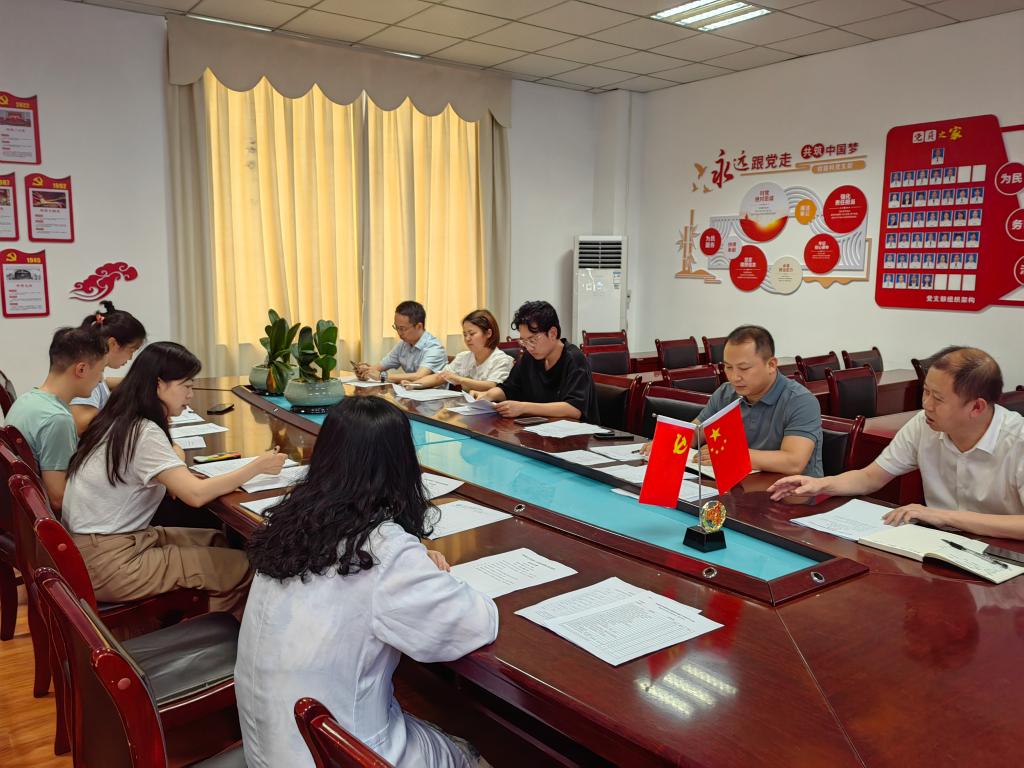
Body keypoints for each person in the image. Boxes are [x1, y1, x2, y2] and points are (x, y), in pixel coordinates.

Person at [238, 396, 497, 767]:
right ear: (402, 464)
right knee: (470, 753)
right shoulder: (381, 547)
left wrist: (414, 562)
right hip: (337, 753)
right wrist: (432, 573)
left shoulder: (289, 522)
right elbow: (472, 625)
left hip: (269, 747)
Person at [63, 342, 285, 618]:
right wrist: (257, 466)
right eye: (186, 386)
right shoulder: (142, 431)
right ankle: (208, 637)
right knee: (241, 568)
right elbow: (195, 495)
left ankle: (201, 620)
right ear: (159, 384)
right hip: (111, 562)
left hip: (98, 547)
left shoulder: (119, 418)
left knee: (217, 540)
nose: (190, 394)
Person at [768, 347, 1024, 539]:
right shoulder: (923, 425)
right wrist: (820, 484)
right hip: (941, 546)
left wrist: (944, 516)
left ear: (977, 407)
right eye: (925, 391)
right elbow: (870, 477)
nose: (926, 405)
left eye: (938, 398)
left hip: (1006, 555)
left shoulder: (1017, 440)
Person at [662, 325, 822, 476]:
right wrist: (665, 444)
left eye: (744, 368)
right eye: (728, 367)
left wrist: (733, 454)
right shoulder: (726, 393)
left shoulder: (800, 400)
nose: (734, 377)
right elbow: (696, 432)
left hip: (793, 491)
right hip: (741, 483)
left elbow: (793, 462)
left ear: (771, 365)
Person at [4, 327, 107, 512]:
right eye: (101, 371)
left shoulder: (27, 400)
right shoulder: (57, 419)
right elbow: (58, 499)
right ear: (81, 369)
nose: (101, 380)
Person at [476, 301, 598, 423]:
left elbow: (574, 409)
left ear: (553, 333)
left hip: (578, 431)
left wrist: (523, 408)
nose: (529, 347)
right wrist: (488, 395)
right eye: (524, 341)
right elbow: (509, 388)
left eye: (532, 340)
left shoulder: (574, 358)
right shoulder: (529, 357)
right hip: (540, 428)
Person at [70, 300, 147, 435]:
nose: (130, 358)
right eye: (131, 350)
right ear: (113, 344)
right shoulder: (88, 374)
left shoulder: (94, 370)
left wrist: (137, 383)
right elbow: (81, 424)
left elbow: (103, 384)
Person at [407, 309, 514, 393]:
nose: (467, 338)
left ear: (488, 333)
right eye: (465, 334)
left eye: (472, 334)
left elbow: (492, 386)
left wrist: (459, 379)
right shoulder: (464, 357)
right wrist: (413, 384)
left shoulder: (502, 360)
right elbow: (440, 377)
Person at [355, 300, 447, 384]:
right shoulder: (403, 344)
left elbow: (419, 376)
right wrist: (366, 371)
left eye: (402, 329)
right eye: (396, 327)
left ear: (419, 326)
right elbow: (380, 366)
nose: (399, 333)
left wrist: (382, 376)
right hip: (410, 392)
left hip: (435, 395)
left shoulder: (434, 348)